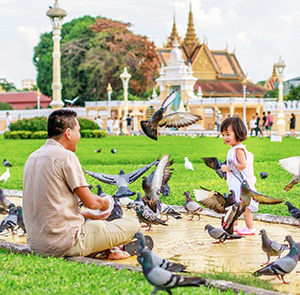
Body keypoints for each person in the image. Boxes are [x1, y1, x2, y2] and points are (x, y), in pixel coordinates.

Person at [23, 109, 140, 258]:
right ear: (68, 133)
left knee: (96, 225)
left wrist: (87, 215)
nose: (79, 136)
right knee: (133, 224)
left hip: (36, 245)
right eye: (78, 131)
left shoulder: (32, 158)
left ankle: (110, 247)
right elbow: (91, 202)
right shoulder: (66, 157)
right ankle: (116, 247)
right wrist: (106, 203)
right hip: (64, 244)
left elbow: (49, 208)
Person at [220, 116, 258, 236]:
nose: (225, 138)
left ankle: (250, 227)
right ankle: (234, 224)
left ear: (238, 133)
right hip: (235, 183)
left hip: (241, 184)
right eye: (223, 135)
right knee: (236, 204)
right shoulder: (233, 149)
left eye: (228, 134)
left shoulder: (238, 150)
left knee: (243, 206)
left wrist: (228, 168)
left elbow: (243, 165)